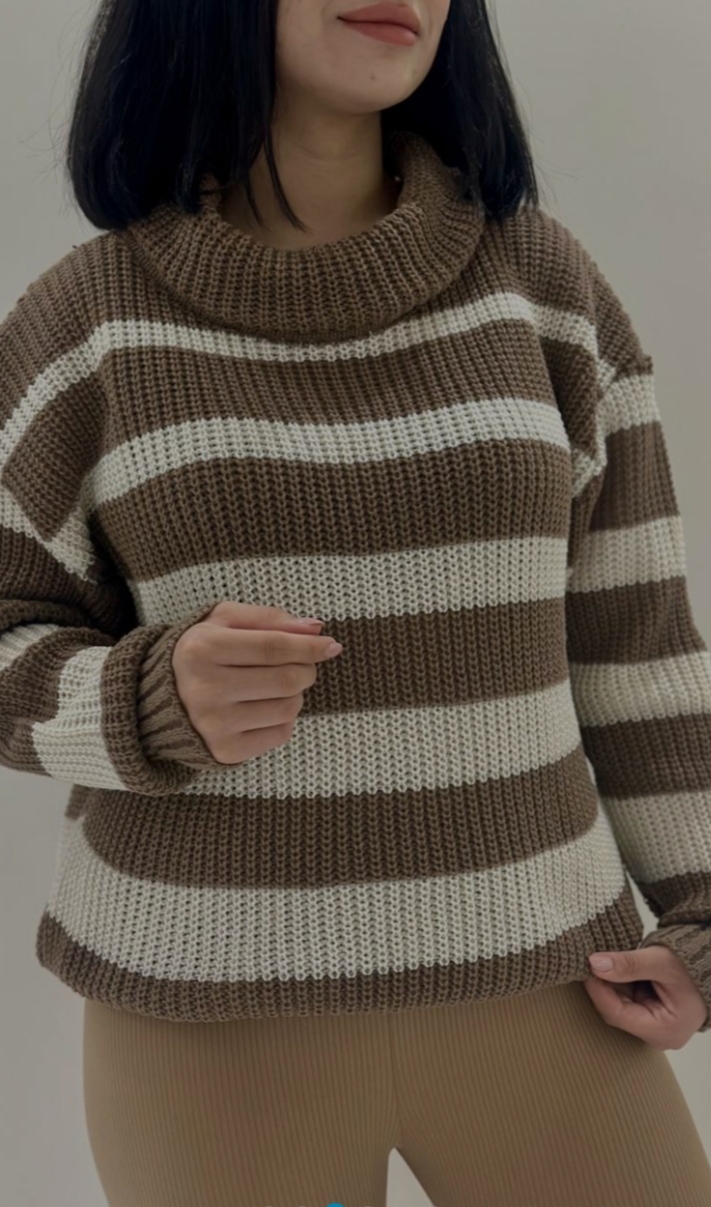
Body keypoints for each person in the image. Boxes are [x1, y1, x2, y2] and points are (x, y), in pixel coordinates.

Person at [2, 0, 711, 1203]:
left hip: (551, 988)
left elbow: (637, 644)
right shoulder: (86, 325)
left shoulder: (544, 289)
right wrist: (144, 698)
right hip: (211, 1031)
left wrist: (702, 912)